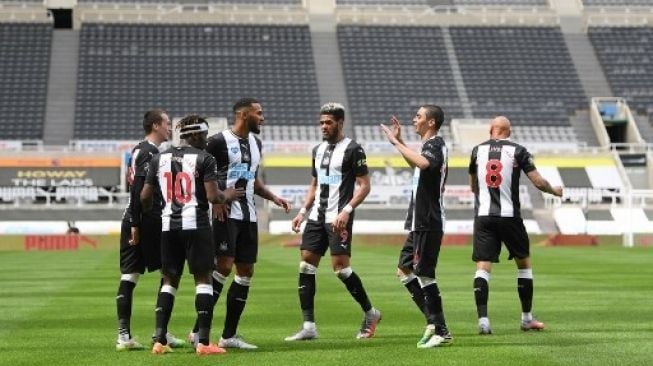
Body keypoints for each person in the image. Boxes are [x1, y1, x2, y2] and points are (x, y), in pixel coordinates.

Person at [191, 97, 290, 350]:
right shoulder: (217, 142)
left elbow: (252, 180)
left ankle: (229, 335)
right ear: (244, 115)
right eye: (259, 113)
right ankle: (198, 331)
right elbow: (197, 171)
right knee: (223, 266)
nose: (263, 117)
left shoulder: (256, 143)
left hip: (249, 215)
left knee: (245, 272)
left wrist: (273, 197)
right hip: (226, 214)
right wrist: (215, 199)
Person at [142, 114, 244, 355]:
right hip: (196, 226)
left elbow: (145, 197)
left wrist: (158, 212)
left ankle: (159, 340)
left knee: (169, 281)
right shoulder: (205, 159)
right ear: (196, 134)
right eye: (205, 135)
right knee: (203, 281)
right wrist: (228, 194)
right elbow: (213, 197)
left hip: (168, 227)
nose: (206, 140)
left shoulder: (159, 158)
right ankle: (204, 343)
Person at [285, 102, 381, 342]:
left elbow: (365, 186)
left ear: (340, 122)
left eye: (328, 122)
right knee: (306, 264)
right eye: (321, 123)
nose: (323, 127)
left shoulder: (354, 150)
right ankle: (309, 326)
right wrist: (302, 211)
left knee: (341, 269)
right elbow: (314, 185)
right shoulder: (317, 150)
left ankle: (371, 313)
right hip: (317, 216)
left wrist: (347, 210)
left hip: (338, 217)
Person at [468, 116, 563, 335]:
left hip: (483, 216)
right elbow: (538, 181)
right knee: (524, 265)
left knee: (483, 267)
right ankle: (527, 319)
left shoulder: (476, 151)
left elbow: (473, 185)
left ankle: (483, 321)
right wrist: (554, 191)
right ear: (508, 133)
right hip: (510, 216)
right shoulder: (519, 151)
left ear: (490, 129)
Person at [380, 105, 453, 348]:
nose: (414, 119)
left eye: (419, 116)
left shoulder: (435, 144)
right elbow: (419, 165)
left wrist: (395, 143)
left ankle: (440, 330)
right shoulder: (429, 147)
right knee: (404, 269)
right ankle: (433, 323)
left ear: (431, 122)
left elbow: (423, 164)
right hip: (419, 220)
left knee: (425, 273)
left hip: (428, 219)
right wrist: (401, 142)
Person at [115, 109, 185, 351]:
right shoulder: (149, 152)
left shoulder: (139, 150)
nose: (170, 127)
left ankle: (125, 336)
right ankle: (160, 334)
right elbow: (139, 191)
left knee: (130, 274)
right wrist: (137, 223)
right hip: (147, 220)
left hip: (134, 218)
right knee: (170, 271)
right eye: (167, 123)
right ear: (156, 125)